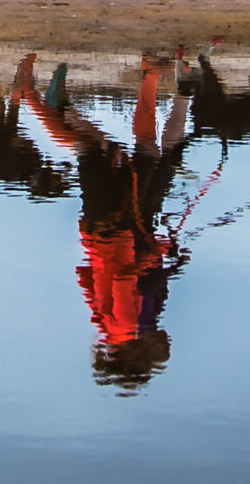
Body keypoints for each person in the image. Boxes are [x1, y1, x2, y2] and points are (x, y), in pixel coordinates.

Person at [17, 52, 196, 388]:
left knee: (93, 149)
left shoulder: (125, 327)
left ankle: (32, 97)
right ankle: (44, 98)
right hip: (100, 235)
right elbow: (84, 276)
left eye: (157, 355)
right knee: (105, 150)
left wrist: (151, 255)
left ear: (139, 354)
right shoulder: (104, 326)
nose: (164, 345)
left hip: (119, 230)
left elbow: (126, 280)